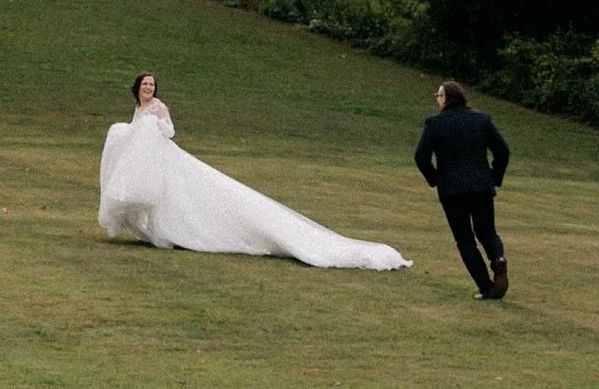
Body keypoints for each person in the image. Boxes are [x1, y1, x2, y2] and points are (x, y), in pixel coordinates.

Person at [99, 72, 410, 270]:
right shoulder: (139, 109)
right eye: (145, 85)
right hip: (151, 162)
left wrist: (154, 125)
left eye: (152, 85)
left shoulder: (157, 108)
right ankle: (159, 231)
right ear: (137, 89)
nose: (149, 89)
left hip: (165, 158)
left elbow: (169, 132)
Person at [414, 80, 511, 300]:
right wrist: (494, 176)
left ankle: (486, 287)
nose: (437, 100)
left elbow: (421, 157)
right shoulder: (482, 120)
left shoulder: (435, 124)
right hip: (481, 186)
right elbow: (502, 151)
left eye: (439, 96)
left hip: (452, 190)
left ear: (446, 98)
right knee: (487, 231)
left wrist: (435, 178)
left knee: (465, 239)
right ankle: (498, 259)